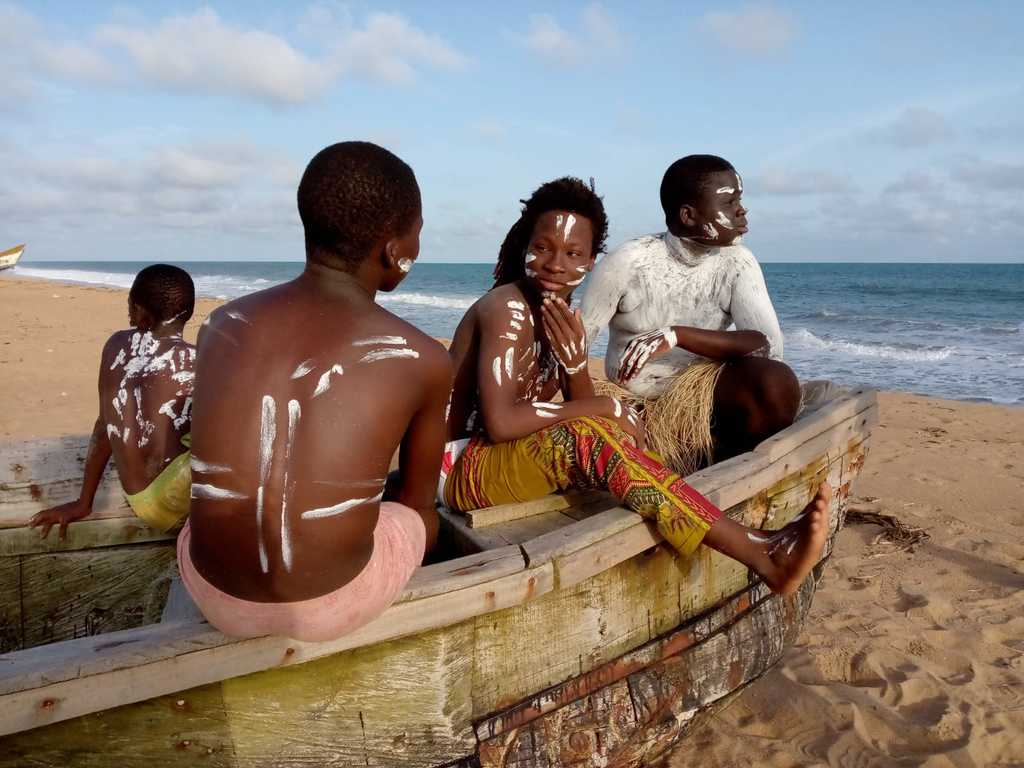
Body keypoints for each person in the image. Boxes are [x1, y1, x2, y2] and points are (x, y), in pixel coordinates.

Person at [442, 177, 830, 596]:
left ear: (591, 262)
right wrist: (606, 409)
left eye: (573, 253)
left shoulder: (558, 314)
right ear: (523, 247)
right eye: (542, 248)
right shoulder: (507, 309)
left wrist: (575, 366)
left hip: (504, 459)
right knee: (591, 430)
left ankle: (714, 532)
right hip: (459, 470)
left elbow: (582, 406)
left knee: (614, 433)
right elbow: (500, 423)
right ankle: (761, 552)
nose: (556, 263)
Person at [178, 141, 451, 642]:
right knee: (411, 518)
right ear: (395, 251)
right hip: (329, 605)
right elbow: (418, 503)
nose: (415, 248)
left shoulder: (221, 323)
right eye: (416, 235)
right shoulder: (425, 358)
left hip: (209, 589)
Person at [580, 155, 801, 474]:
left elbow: (769, 348)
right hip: (638, 402)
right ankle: (682, 461)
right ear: (689, 215)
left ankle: (721, 468)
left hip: (705, 396)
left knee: (776, 383)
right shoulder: (628, 262)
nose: (742, 210)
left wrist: (676, 335)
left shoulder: (737, 262)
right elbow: (577, 346)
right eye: (729, 202)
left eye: (739, 199)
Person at [30, 265, 197, 539]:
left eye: (131, 303)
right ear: (187, 312)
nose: (128, 310)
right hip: (171, 503)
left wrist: (84, 502)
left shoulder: (115, 345)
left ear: (142, 313)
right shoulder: (196, 360)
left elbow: (106, 423)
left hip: (140, 498)